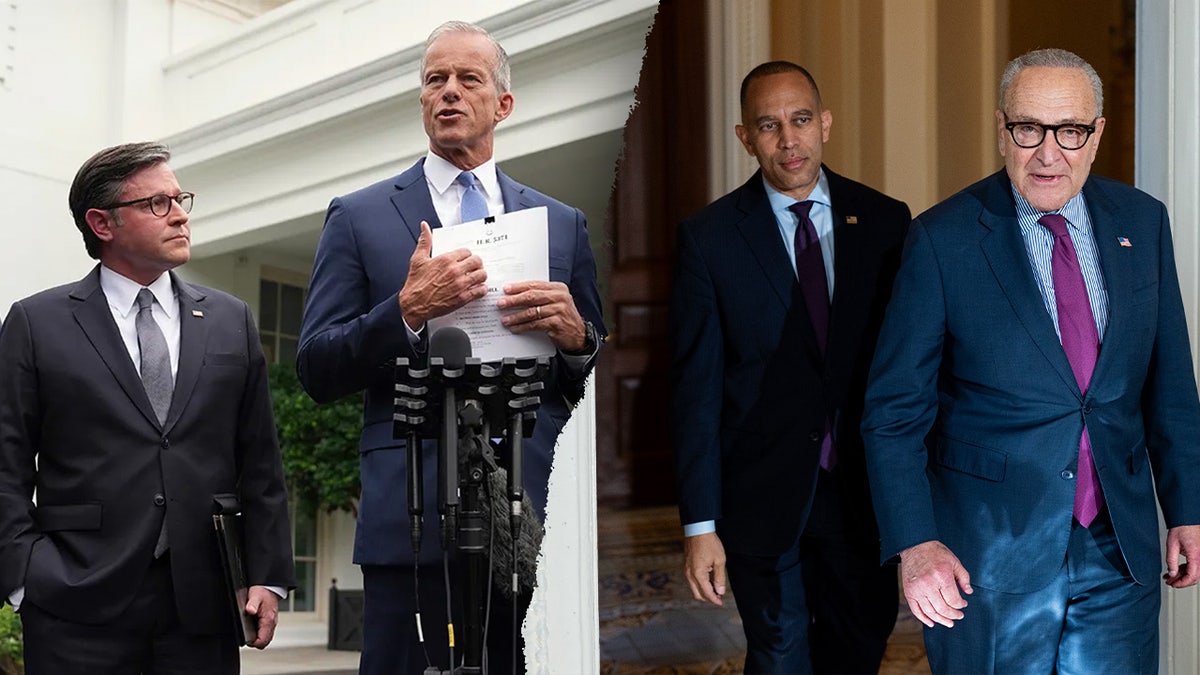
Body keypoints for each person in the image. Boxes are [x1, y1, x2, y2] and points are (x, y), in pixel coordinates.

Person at [862, 47, 1200, 674]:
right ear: (1001, 129)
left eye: (1070, 130)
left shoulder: (1143, 222)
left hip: (1118, 549)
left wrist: (1188, 511)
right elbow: (893, 413)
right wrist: (916, 543)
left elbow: (1171, 387)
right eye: (1028, 129)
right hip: (986, 558)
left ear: (1097, 134)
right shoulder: (942, 239)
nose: (1049, 153)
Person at [296, 20, 604, 675]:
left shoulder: (562, 224)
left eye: (469, 78)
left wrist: (578, 341)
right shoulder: (358, 216)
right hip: (409, 514)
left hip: (528, 513)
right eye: (435, 79)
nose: (449, 91)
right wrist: (405, 311)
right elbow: (316, 366)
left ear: (503, 103)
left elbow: (582, 377)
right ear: (421, 101)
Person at [0, 141, 296, 674]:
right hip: (74, 602)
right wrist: (23, 577)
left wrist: (268, 575)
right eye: (157, 203)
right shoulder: (36, 323)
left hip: (204, 603)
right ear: (102, 223)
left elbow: (261, 463)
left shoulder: (231, 319)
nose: (180, 215)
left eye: (180, 199)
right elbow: (6, 464)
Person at [669, 61, 910, 673]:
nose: (788, 140)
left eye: (801, 120)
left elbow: (911, 370)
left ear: (825, 123)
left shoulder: (886, 222)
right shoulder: (710, 238)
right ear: (745, 137)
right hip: (761, 496)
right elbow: (696, 392)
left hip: (865, 494)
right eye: (768, 125)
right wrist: (700, 526)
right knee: (779, 656)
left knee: (858, 651)